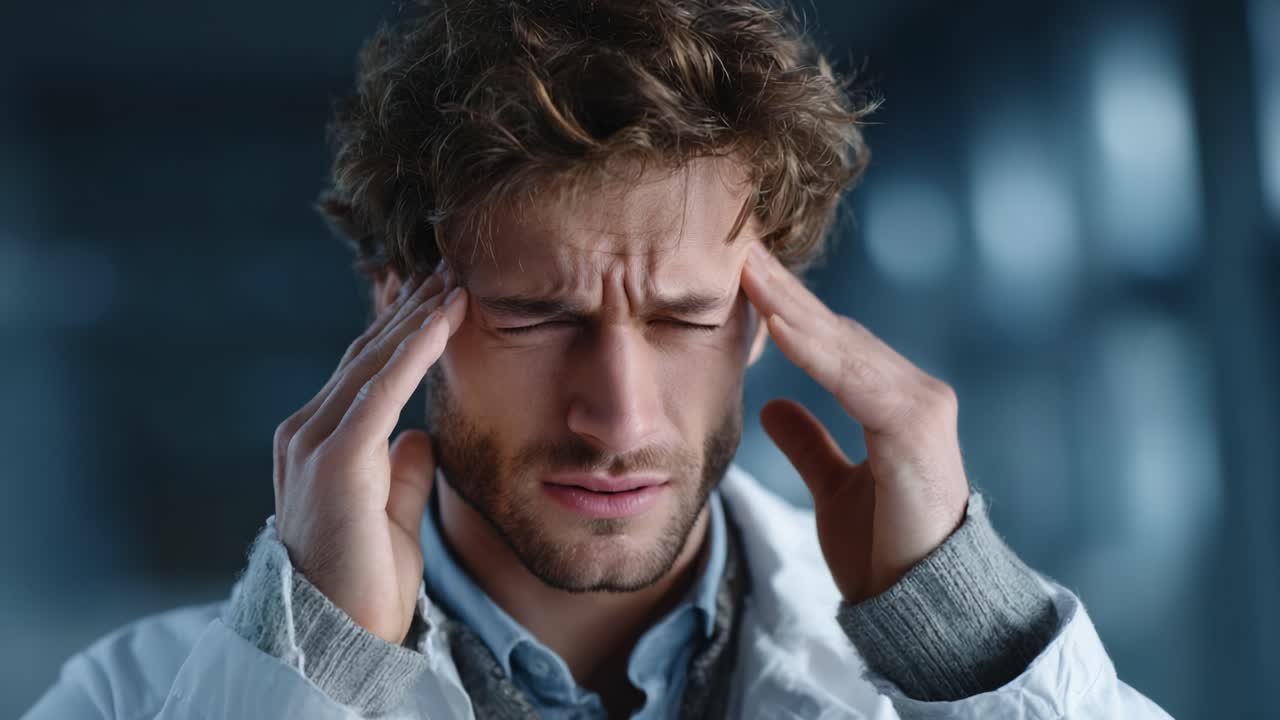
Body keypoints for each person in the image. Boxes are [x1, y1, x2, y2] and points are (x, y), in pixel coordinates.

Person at [26, 1, 1174, 718]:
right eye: (535, 315)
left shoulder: (944, 676)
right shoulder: (132, 698)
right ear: (393, 310)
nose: (617, 418)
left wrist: (971, 652)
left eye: (681, 316)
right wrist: (304, 675)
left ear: (759, 317)